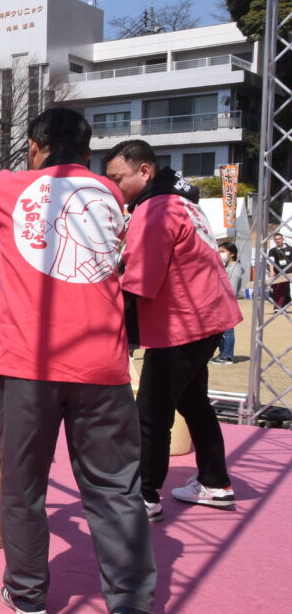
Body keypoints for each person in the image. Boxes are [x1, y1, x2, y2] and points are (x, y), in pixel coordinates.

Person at [0, 108, 159, 614]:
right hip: (102, 366)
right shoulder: (113, 196)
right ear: (89, 154)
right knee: (116, 489)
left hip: (29, 364)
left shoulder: (9, 185)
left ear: (35, 147)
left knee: (23, 485)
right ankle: (131, 604)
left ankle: (28, 594)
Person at [105, 139, 242, 519]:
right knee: (194, 403)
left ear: (144, 171)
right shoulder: (183, 202)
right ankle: (215, 482)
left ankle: (144, 495)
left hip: (182, 321)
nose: (115, 187)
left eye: (118, 178)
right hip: (208, 317)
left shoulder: (155, 209)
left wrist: (104, 313)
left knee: (151, 411)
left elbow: (139, 281)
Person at [212, 241, 244, 365]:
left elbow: (232, 288)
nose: (220, 254)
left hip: (227, 302)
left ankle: (227, 356)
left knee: (227, 330)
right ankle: (223, 353)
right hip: (220, 302)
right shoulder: (226, 267)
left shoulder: (235, 268)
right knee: (221, 330)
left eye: (223, 252)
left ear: (232, 254)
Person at [269, 232, 291, 309]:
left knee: (287, 290)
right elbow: (271, 261)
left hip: (290, 272)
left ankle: (285, 305)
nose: (278, 240)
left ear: (282, 239)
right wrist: (272, 271)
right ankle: (278, 307)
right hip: (279, 273)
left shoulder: (290, 248)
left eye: (279, 239)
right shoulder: (273, 251)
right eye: (276, 239)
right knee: (279, 290)